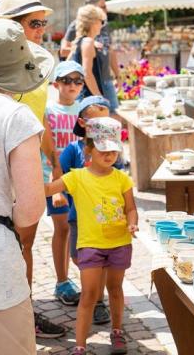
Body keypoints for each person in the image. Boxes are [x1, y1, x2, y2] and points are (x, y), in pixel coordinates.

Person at [0, 0, 66, 338]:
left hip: (28, 166)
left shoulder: (38, 65)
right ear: (10, 26)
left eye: (43, 23)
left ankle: (26, 307)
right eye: (34, 22)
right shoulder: (3, 64)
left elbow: (40, 122)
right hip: (2, 174)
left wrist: (54, 162)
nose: (41, 30)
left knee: (27, 244)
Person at [45, 117, 139, 355]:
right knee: (89, 294)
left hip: (120, 243)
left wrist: (133, 224)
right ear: (88, 149)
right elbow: (48, 189)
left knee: (116, 290)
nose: (109, 155)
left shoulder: (123, 178)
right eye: (103, 150)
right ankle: (80, 345)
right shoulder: (77, 177)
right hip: (90, 245)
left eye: (114, 150)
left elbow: (130, 208)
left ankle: (117, 333)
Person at [60, 95, 114, 324]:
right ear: (83, 123)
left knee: (98, 261)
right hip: (78, 217)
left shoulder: (109, 150)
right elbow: (63, 176)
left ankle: (97, 302)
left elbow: (118, 174)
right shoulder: (72, 150)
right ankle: (92, 292)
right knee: (77, 257)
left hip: (102, 218)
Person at [44, 61, 86, 305]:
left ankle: (89, 281)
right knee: (62, 228)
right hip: (57, 177)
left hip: (81, 180)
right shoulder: (48, 110)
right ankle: (62, 282)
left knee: (81, 229)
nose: (72, 85)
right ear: (56, 84)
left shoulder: (83, 111)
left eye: (77, 80)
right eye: (67, 80)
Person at [61, 0, 121, 116]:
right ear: (93, 22)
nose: (102, 24)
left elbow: (67, 64)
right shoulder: (87, 42)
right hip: (89, 92)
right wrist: (99, 98)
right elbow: (87, 73)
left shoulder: (81, 41)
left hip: (87, 91)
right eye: (101, 21)